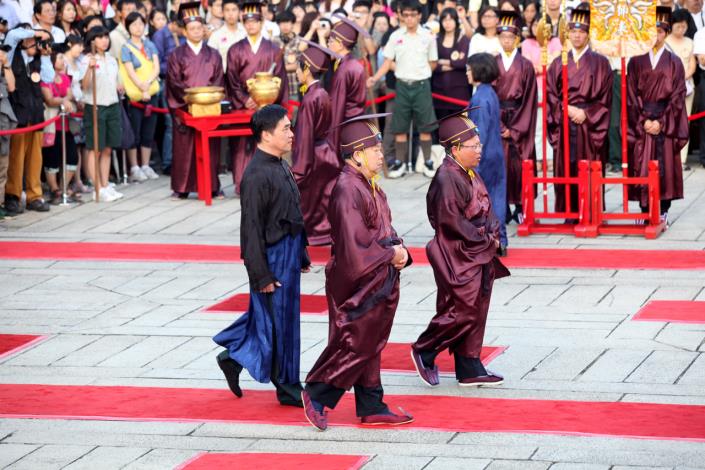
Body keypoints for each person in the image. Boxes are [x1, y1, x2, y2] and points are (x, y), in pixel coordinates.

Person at [302, 113, 414, 431]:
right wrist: (391, 253)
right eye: (375, 149)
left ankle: (371, 403)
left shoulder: (369, 186)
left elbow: (383, 229)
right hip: (355, 278)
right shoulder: (347, 189)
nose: (381, 153)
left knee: (372, 340)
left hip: (376, 275)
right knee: (355, 340)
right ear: (357, 155)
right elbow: (355, 246)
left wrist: (399, 250)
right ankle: (317, 393)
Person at [214, 104, 310, 408]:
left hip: (288, 251)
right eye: (285, 128)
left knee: (270, 317)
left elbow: (293, 212)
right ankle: (287, 385)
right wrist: (261, 275)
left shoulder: (279, 163)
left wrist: (302, 252)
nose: (291, 134)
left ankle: (233, 357)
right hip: (271, 256)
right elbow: (251, 230)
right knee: (279, 322)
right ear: (266, 135)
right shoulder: (255, 175)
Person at [411, 109, 510, 388]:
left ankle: (469, 365)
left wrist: (494, 232)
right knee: (462, 309)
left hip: (477, 250)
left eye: (479, 145)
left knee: (477, 308)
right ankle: (425, 348)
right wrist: (485, 238)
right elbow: (450, 221)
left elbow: (486, 209)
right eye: (473, 146)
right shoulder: (446, 177)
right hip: (457, 252)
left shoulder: (467, 172)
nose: (479, 150)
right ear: (455, 148)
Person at [546, 5, 612, 217]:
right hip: (564, 120)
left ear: (588, 34)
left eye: (581, 31)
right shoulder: (558, 63)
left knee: (589, 166)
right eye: (573, 31)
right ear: (568, 33)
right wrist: (565, 109)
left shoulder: (601, 63)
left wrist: (587, 113)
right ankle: (568, 211)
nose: (576, 35)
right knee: (566, 164)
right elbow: (550, 94)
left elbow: (605, 98)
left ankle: (590, 211)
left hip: (589, 122)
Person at [627, 6, 688, 225]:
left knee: (665, 165)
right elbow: (631, 93)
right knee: (641, 162)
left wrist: (661, 123)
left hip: (665, 117)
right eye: (652, 31)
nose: (656, 36)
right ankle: (644, 207)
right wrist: (643, 121)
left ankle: (663, 208)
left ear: (666, 32)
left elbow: (678, 96)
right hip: (642, 117)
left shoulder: (674, 62)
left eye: (661, 31)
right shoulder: (635, 61)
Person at [367, 0, 439, 179]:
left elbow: (433, 62)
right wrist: (375, 78)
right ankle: (399, 163)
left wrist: (420, 73)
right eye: (405, 15)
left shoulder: (427, 36)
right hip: (402, 86)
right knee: (399, 126)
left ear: (419, 16)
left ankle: (428, 162)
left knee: (425, 126)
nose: (409, 18)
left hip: (422, 85)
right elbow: (387, 62)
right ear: (400, 15)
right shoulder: (395, 36)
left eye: (413, 15)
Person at [225, 0, 288, 195]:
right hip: (243, 105)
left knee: (267, 142)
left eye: (255, 21)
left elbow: (280, 78)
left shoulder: (273, 49)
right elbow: (232, 80)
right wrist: (245, 100)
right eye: (247, 21)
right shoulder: (235, 50)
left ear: (262, 23)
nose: (250, 24)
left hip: (268, 104)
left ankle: (268, 185)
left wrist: (268, 101)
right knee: (242, 145)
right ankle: (242, 184)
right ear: (243, 23)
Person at [166, 1, 224, 199]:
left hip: (208, 107)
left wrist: (207, 99)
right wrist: (190, 101)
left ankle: (212, 186)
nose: (197, 31)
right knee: (185, 148)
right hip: (186, 106)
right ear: (184, 31)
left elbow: (218, 80)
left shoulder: (214, 54)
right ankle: (182, 187)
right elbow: (174, 82)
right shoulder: (176, 54)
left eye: (199, 28)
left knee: (210, 149)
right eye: (192, 28)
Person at [291, 39, 341, 246]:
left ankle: (315, 235)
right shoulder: (322, 93)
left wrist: (299, 168)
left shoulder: (312, 98)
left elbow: (305, 135)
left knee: (311, 199)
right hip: (325, 151)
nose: (296, 73)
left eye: (299, 68)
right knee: (323, 197)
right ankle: (324, 232)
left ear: (308, 70)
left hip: (313, 153)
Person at [4, 25, 55, 216]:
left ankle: (35, 196)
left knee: (36, 158)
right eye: (31, 36)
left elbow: (49, 77)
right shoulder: (11, 55)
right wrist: (35, 33)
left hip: (35, 115)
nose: (36, 41)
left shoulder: (37, 60)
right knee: (16, 158)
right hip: (18, 115)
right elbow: (12, 35)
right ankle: (13, 196)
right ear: (24, 39)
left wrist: (45, 55)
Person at [494, 10, 537, 224]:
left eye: (510, 38)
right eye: (503, 38)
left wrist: (517, 128)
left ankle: (521, 205)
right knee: (500, 165)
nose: (507, 41)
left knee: (520, 165)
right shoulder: (493, 63)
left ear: (517, 39)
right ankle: (502, 206)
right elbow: (489, 96)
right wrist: (500, 125)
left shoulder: (526, 65)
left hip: (520, 117)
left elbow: (530, 98)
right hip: (499, 117)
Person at [467, 53, 507, 255]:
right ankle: (500, 240)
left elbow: (478, 131)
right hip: (496, 151)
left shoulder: (480, 97)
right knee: (496, 196)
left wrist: (473, 156)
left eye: (469, 68)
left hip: (484, 154)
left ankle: (492, 240)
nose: (467, 72)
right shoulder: (489, 92)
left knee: (484, 198)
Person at [81, 25, 124, 202]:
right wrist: (90, 68)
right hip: (95, 106)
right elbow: (84, 86)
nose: (104, 40)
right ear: (92, 40)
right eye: (100, 37)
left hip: (112, 104)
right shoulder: (87, 59)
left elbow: (114, 80)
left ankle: (105, 185)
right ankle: (96, 186)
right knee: (95, 147)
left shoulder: (112, 59)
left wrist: (118, 87)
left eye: (106, 37)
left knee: (108, 147)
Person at [120, 11, 161, 183]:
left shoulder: (149, 44)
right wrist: (141, 87)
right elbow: (129, 71)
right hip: (136, 95)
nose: (138, 27)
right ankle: (134, 166)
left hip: (150, 92)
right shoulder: (126, 47)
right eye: (134, 24)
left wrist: (148, 84)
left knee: (148, 131)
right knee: (134, 132)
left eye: (140, 23)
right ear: (128, 27)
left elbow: (156, 67)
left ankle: (145, 164)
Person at [41, 46, 80, 205]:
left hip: (66, 124)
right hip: (52, 125)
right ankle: (54, 189)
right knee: (52, 158)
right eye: (60, 58)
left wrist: (64, 99)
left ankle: (64, 187)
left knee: (72, 157)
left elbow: (70, 94)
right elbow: (49, 99)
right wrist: (63, 100)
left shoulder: (65, 78)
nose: (63, 61)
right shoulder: (45, 79)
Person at [325, 13, 368, 155]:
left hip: (346, 122)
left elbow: (338, 105)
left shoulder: (344, 69)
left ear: (341, 43)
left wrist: (332, 135)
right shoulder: (352, 64)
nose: (328, 44)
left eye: (331, 41)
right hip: (357, 120)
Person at [666, 9, 697, 167]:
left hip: (686, 87)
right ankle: (669, 155)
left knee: (685, 122)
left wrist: (685, 76)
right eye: (678, 26)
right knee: (669, 121)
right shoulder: (665, 42)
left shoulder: (689, 42)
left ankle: (681, 159)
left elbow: (692, 64)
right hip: (668, 88)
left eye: (684, 27)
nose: (681, 30)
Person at [431, 7, 471, 121]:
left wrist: (445, 62)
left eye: (450, 19)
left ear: (456, 21)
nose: (447, 23)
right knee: (443, 127)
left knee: (461, 127)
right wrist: (453, 64)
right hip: (439, 91)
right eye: (444, 20)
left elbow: (463, 63)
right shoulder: (436, 39)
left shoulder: (462, 39)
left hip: (459, 91)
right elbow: (433, 65)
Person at [0, 43, 17, 219]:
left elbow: (11, 87)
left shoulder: (3, 67)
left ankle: (0, 203)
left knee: (2, 166)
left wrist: (6, 64)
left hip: (3, 121)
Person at [207, 0, 245, 70]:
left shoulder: (246, 32)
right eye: (227, 10)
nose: (230, 14)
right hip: (225, 77)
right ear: (223, 13)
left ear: (239, 12)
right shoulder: (215, 36)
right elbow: (210, 61)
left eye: (234, 10)